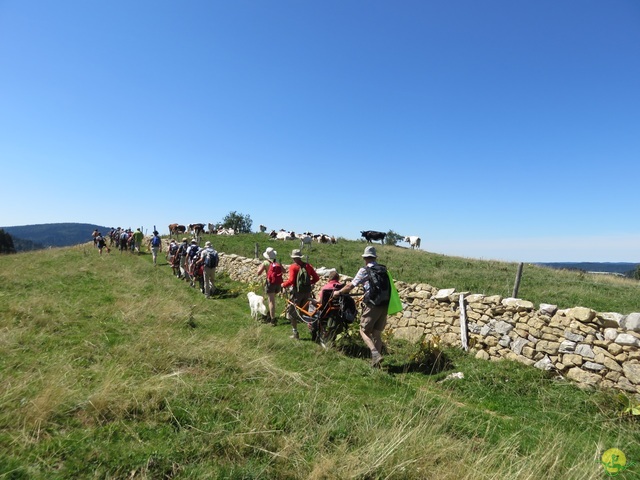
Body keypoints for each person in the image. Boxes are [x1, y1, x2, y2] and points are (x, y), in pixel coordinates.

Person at [333, 246, 389, 367]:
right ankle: (376, 364)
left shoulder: (364, 270)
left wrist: (338, 292)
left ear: (365, 258)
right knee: (377, 334)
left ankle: (375, 354)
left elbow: (350, 286)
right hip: (384, 304)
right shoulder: (383, 270)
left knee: (363, 331)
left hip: (372, 304)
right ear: (374, 257)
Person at [281, 249, 319, 339]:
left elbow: (291, 280)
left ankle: (295, 333)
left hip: (296, 293)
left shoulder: (293, 267)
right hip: (307, 292)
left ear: (294, 258)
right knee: (305, 312)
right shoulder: (308, 266)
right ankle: (312, 330)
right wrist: (310, 283)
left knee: (292, 313)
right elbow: (316, 278)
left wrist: (283, 284)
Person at [256, 247, 282, 324]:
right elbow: (283, 271)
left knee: (271, 301)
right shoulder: (277, 262)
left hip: (270, 283)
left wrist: (260, 267)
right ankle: (269, 313)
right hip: (278, 283)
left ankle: (272, 319)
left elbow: (258, 273)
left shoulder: (265, 263)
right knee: (273, 300)